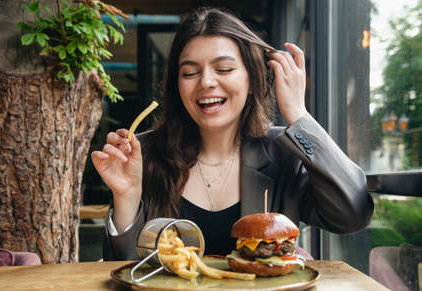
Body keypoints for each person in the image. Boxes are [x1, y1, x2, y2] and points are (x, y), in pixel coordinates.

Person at [91, 7, 374, 260]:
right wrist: (126, 197)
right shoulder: (143, 154)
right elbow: (124, 269)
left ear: (252, 79)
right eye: (189, 73)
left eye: (224, 68)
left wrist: (299, 116)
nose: (207, 82)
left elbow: (353, 215)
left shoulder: (283, 152)